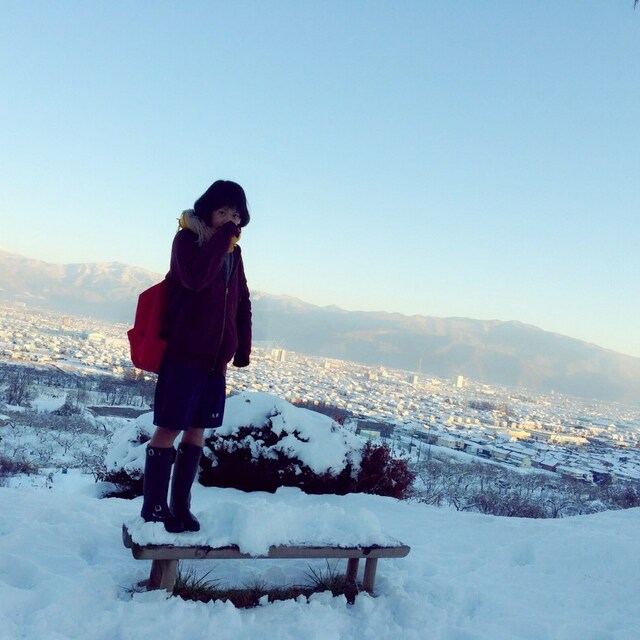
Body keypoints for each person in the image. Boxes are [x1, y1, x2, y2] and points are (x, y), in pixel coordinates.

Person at [140, 180, 252, 533]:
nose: (230, 221)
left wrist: (242, 346)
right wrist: (224, 238)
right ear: (207, 210)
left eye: (236, 215)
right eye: (223, 212)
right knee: (170, 426)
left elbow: (242, 301)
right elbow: (195, 278)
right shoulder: (186, 241)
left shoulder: (233, 253)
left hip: (215, 361)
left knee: (197, 429)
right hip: (184, 353)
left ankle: (180, 506)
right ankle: (154, 507)